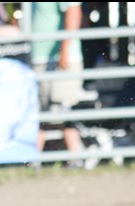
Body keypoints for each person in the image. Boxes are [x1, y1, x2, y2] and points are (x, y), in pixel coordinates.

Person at [29, 2, 86, 166]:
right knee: (43, 111)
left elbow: (74, 12)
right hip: (41, 58)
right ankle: (33, 160)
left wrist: (64, 50)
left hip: (59, 60)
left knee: (61, 110)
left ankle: (75, 157)